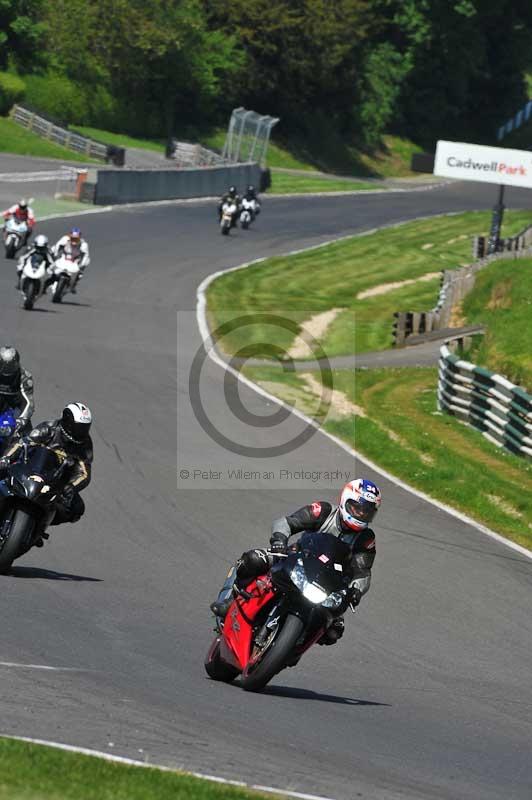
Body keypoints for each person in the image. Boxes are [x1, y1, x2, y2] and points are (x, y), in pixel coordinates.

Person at [210, 478, 381, 645]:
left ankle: (294, 647)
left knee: (334, 630)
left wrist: (356, 590)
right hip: (296, 559)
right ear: (345, 500)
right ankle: (231, 601)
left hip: (329, 583)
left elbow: (363, 571)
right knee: (253, 559)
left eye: (367, 512)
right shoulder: (323, 511)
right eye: (357, 508)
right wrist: (279, 541)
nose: (361, 514)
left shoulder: (365, 538)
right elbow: (287, 522)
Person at [0, 403, 93, 530]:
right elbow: (23, 442)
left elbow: (84, 472)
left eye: (84, 428)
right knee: (2, 470)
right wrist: (6, 458)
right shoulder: (49, 428)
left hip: (57, 482)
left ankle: (40, 525)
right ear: (67, 422)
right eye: (78, 427)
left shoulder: (85, 445)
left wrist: (71, 487)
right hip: (31, 469)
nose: (81, 432)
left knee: (77, 508)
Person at [0, 346, 34, 434]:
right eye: (3, 366)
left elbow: (28, 403)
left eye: (10, 366)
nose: (6, 369)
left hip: (14, 409)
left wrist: (21, 421)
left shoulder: (25, 377)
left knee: (29, 439)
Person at [53, 227, 90, 293]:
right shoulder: (65, 239)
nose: (74, 240)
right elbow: (57, 245)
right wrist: (56, 254)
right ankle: (50, 279)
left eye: (76, 238)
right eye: (73, 238)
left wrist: (81, 265)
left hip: (75, 260)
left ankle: (73, 284)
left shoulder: (83, 244)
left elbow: (86, 256)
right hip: (64, 257)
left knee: (85, 263)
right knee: (53, 265)